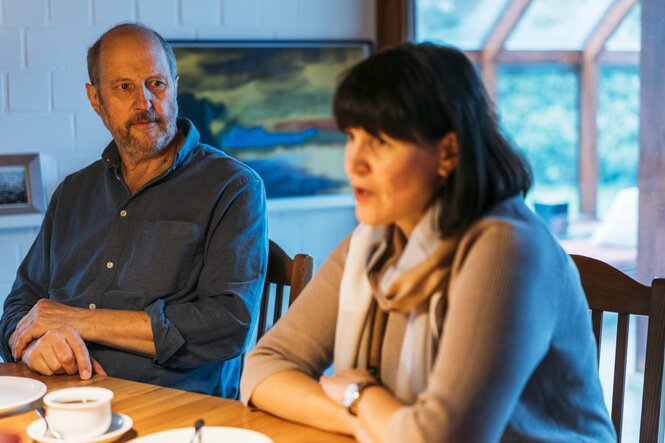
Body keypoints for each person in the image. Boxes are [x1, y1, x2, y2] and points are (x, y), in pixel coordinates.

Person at [240, 43, 615, 442]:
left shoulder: (507, 249)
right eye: (352, 136)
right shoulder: (374, 242)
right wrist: (364, 420)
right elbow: (264, 369)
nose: (353, 162)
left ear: (448, 151)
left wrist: (359, 394)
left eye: (381, 142)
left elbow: (441, 439)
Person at [0, 23, 268, 398]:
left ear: (175, 86)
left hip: (171, 407)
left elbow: (228, 324)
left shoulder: (233, 187)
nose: (144, 102)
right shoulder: (73, 192)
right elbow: (20, 305)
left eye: (156, 84)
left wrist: (81, 321)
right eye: (124, 87)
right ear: (96, 100)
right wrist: (31, 347)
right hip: (60, 400)